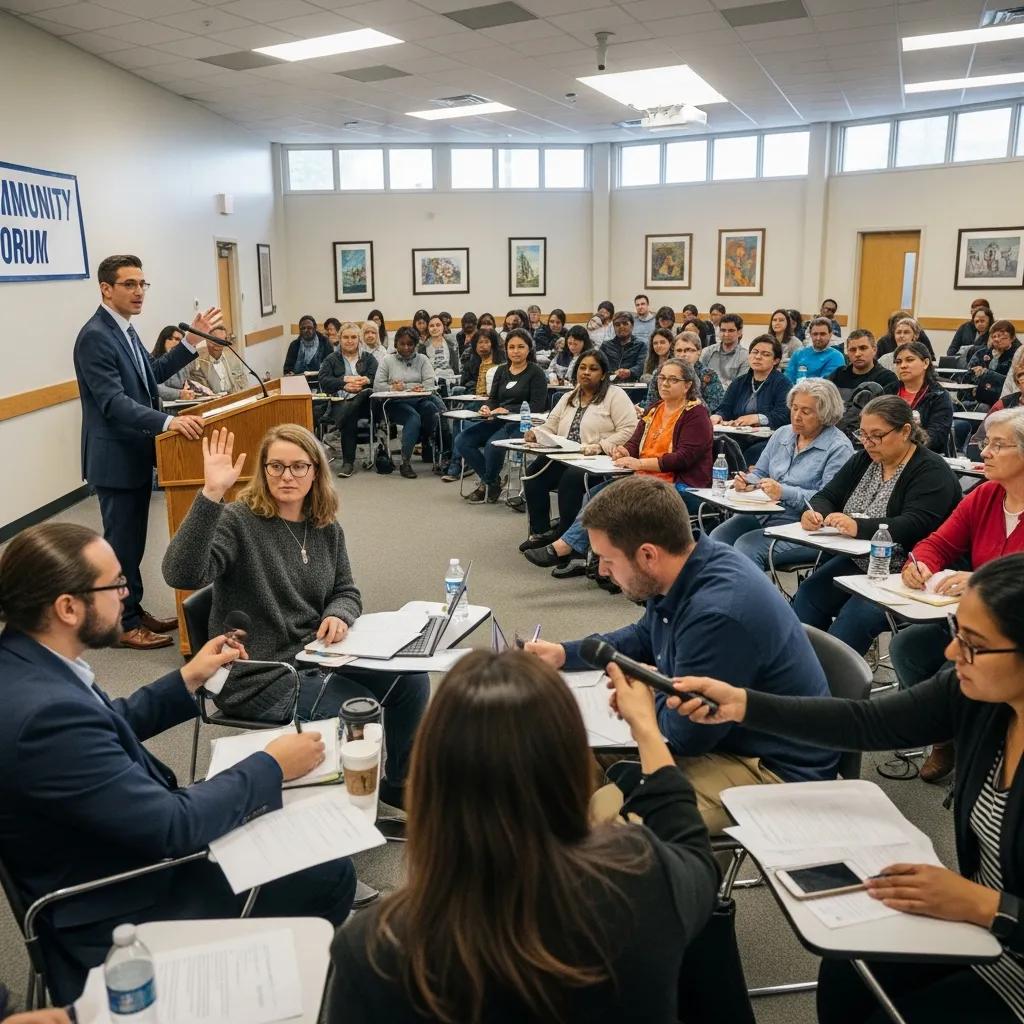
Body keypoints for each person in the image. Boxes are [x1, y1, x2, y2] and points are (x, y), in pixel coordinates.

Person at [0, 521, 355, 1004]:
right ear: (67, 607)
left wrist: (187, 678)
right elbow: (173, 826)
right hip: (121, 902)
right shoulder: (46, 714)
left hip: (107, 850)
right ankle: (275, 998)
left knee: (281, 825)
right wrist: (272, 765)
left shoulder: (28, 663)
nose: (126, 596)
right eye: (116, 585)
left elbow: (108, 724)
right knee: (328, 874)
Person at [673, 552, 1024, 1024]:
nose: (950, 652)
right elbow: (868, 721)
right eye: (955, 631)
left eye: (974, 643)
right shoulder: (981, 698)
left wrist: (986, 905)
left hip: (1004, 945)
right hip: (984, 933)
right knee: (848, 972)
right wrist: (744, 705)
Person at [325, 649, 718, 1024]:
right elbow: (694, 853)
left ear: (431, 783)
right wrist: (646, 729)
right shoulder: (641, 880)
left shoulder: (375, 950)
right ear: (570, 770)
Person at [526, 476, 838, 833]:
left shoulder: (718, 613)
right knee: (559, 758)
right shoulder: (682, 566)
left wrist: (644, 697)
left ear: (647, 555)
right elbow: (644, 636)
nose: (601, 570)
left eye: (607, 560)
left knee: (613, 826)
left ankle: (661, 880)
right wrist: (565, 655)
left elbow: (687, 736)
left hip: (771, 766)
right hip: (724, 737)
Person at [163, 425, 428, 805]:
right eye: (276, 467)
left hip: (319, 656)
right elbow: (181, 574)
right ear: (263, 470)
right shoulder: (238, 521)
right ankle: (348, 811)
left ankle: (400, 787)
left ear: (315, 472)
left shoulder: (324, 526)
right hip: (261, 674)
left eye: (298, 467)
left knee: (410, 680)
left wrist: (339, 613)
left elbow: (346, 590)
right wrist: (211, 495)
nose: (287, 476)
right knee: (358, 710)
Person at [73, 254, 218, 651]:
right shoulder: (95, 336)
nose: (139, 292)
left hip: (134, 454)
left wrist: (190, 343)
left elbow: (149, 375)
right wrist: (168, 423)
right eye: (129, 284)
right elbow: (113, 402)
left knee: (132, 543)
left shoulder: (125, 330)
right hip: (114, 458)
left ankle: (132, 609)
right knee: (120, 546)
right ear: (106, 288)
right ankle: (121, 624)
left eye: (142, 284)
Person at [890, 408, 1024, 783]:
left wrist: (981, 581)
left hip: (1014, 637)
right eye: (986, 443)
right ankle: (945, 737)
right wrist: (920, 564)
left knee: (955, 671)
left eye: (998, 445)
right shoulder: (984, 495)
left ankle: (981, 745)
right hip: (976, 624)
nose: (985, 453)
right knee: (907, 647)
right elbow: (937, 542)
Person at [792, 396, 961, 655]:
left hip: (909, 569)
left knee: (855, 617)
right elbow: (827, 496)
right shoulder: (864, 459)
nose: (868, 442)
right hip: (863, 559)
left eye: (877, 435)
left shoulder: (931, 471)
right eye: (863, 434)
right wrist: (815, 513)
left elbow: (914, 525)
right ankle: (798, 664)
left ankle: (834, 686)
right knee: (810, 593)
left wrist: (858, 526)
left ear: (905, 431)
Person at [528, 360, 712, 575]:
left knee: (615, 503)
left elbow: (684, 458)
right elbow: (635, 442)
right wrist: (624, 451)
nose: (665, 384)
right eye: (662, 378)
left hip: (682, 486)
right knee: (595, 496)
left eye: (673, 380)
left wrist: (639, 463)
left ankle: (567, 549)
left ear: (688, 385)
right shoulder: (655, 409)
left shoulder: (696, 414)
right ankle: (593, 557)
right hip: (646, 480)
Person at [710, 378, 853, 570]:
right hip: (764, 514)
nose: (796, 416)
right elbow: (760, 473)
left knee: (747, 547)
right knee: (717, 540)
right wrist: (746, 482)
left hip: (805, 527)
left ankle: (752, 600)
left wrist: (783, 492)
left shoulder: (838, 447)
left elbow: (828, 500)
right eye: (794, 408)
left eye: (806, 411)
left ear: (825, 414)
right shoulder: (782, 433)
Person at [520, 351, 638, 547]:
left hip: (598, 460)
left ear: (603, 374)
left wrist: (601, 446)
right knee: (534, 475)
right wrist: (536, 433)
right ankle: (541, 532)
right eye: (582, 368)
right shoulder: (569, 396)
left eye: (593, 369)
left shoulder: (615, 395)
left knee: (571, 480)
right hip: (567, 454)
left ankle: (566, 540)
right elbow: (551, 425)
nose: (586, 372)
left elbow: (630, 429)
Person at [456, 329, 548, 505]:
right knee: (463, 440)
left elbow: (538, 405)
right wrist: (487, 407)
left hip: (522, 423)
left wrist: (508, 410)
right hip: (498, 419)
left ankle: (487, 484)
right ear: (506, 349)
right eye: (511, 347)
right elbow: (494, 399)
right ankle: (493, 482)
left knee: (493, 445)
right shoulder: (501, 371)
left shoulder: (536, 372)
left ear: (529, 349)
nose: (516, 351)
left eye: (521, 346)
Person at [372, 326, 443, 479]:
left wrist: (410, 387)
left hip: (419, 400)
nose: (406, 347)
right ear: (396, 344)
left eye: (410, 344)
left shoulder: (422, 359)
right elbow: (377, 386)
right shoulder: (387, 360)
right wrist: (393, 387)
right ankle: (406, 461)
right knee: (413, 418)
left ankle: (436, 451)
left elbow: (430, 383)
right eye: (402, 344)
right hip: (395, 402)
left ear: (415, 345)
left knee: (432, 409)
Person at [318, 321, 378, 478]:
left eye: (353, 337)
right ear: (340, 338)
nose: (349, 341)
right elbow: (324, 381)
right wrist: (344, 383)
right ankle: (348, 463)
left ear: (359, 339)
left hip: (366, 404)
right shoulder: (331, 359)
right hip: (340, 403)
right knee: (350, 412)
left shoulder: (369, 358)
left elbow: (378, 379)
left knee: (363, 395)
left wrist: (366, 380)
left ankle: (347, 462)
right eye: (345, 337)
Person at [883, 341, 954, 453]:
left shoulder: (938, 396)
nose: (903, 365)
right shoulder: (888, 391)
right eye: (898, 362)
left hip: (923, 456)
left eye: (910, 360)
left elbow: (936, 438)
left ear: (925, 363)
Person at [711, 334, 791, 430]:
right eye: (754, 352)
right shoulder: (738, 382)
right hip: (738, 434)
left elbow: (783, 416)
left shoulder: (783, 384)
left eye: (765, 354)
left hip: (767, 437)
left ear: (775, 361)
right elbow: (725, 409)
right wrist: (718, 416)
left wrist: (757, 418)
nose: (758, 357)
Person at [829, 329, 898, 438]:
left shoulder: (887, 378)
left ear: (874, 349)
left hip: (868, 436)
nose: (857, 354)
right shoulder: (838, 374)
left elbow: (886, 417)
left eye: (863, 348)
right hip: (834, 432)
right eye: (852, 350)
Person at [968, 319, 1020, 409]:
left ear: (1012, 338)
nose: (997, 339)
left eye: (1003, 337)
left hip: (1004, 400)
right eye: (994, 336)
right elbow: (968, 376)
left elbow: (1013, 382)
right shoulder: (981, 354)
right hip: (977, 397)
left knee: (983, 408)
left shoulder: (1017, 357)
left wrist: (987, 374)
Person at [674, 331, 724, 415]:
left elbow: (713, 408)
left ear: (699, 352)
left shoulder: (708, 374)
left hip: (698, 418)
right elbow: (653, 403)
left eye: (689, 350)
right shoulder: (662, 373)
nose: (683, 354)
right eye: (679, 351)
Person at [191, 325, 250, 396]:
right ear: (207, 341)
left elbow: (242, 381)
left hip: (235, 397)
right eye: (215, 341)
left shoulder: (233, 356)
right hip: (213, 401)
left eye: (221, 342)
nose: (218, 346)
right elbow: (201, 391)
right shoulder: (198, 361)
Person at [786, 316, 846, 383]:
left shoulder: (836, 357)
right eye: (815, 334)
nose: (818, 338)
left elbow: (825, 385)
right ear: (810, 335)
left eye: (822, 334)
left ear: (830, 334)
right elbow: (787, 380)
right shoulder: (798, 354)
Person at [700, 312, 748, 387]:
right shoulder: (707, 351)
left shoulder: (745, 356)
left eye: (731, 330)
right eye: (723, 330)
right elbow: (699, 377)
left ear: (739, 332)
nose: (726, 334)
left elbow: (740, 386)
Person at [151, 326, 196, 402]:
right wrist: (180, 393)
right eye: (170, 339)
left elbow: (192, 383)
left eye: (179, 340)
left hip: (184, 403)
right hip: (163, 408)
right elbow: (155, 387)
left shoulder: (185, 364)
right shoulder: (152, 361)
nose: (175, 342)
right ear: (162, 341)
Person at [600, 312, 646, 382]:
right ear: (614, 328)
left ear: (632, 326)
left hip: (633, 386)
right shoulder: (605, 346)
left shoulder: (641, 345)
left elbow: (641, 366)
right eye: (617, 325)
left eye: (625, 323)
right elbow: (600, 367)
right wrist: (613, 373)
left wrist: (629, 372)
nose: (621, 327)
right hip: (609, 385)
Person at [418, 313, 461, 386]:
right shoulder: (422, 347)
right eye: (431, 326)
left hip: (451, 380)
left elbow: (456, 368)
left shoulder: (451, 344)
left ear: (443, 327)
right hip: (432, 383)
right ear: (428, 329)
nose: (435, 328)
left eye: (438, 325)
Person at [640, 327, 673, 393]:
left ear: (670, 343)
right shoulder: (650, 360)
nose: (658, 346)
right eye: (655, 343)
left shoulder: (675, 361)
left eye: (662, 342)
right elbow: (644, 379)